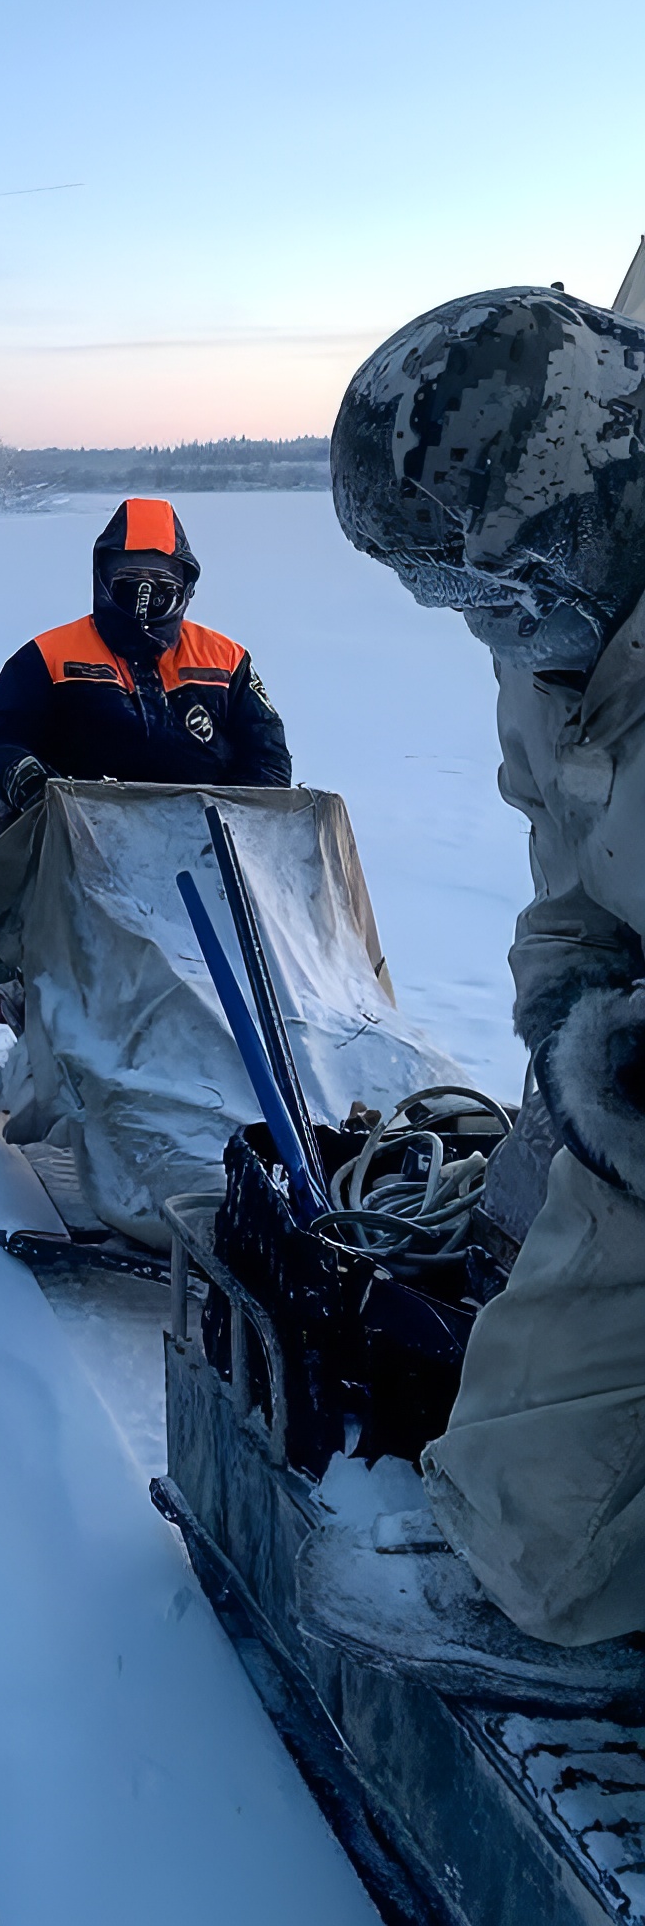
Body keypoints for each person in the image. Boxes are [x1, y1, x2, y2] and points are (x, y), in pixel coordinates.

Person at [333, 283, 645, 1645]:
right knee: (531, 1530)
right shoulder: (554, 661)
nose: (478, 625)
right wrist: (579, 1027)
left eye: (487, 586)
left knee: (550, 1545)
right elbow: (571, 895)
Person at [0, 495, 290, 830]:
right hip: (70, 837)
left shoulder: (227, 659)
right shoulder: (46, 656)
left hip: (204, 841)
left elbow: (267, 753)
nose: (145, 596)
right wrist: (24, 778)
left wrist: (241, 820)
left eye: (161, 583)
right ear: (104, 579)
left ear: (184, 587)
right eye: (130, 581)